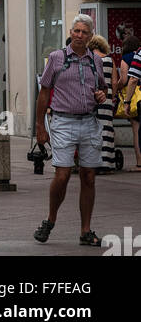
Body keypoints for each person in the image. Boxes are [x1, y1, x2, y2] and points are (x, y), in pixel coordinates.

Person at [33, 15, 108, 246]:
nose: (79, 35)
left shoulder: (95, 61)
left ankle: (86, 230)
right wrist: (39, 127)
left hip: (89, 122)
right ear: (71, 32)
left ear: (90, 36)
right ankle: (50, 219)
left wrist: (101, 95)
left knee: (88, 176)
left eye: (84, 32)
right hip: (63, 122)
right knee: (63, 175)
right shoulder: (56, 58)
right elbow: (44, 92)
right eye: (76, 31)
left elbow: (102, 90)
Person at [88, 34, 117, 173]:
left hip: (95, 97)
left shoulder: (91, 59)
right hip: (108, 98)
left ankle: (96, 162)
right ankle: (108, 163)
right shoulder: (110, 60)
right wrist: (112, 96)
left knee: (95, 130)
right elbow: (114, 82)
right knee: (107, 129)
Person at [118, 39, 141, 170]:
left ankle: (139, 162)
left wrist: (117, 86)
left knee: (137, 130)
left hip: (135, 98)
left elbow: (126, 79)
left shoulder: (126, 58)